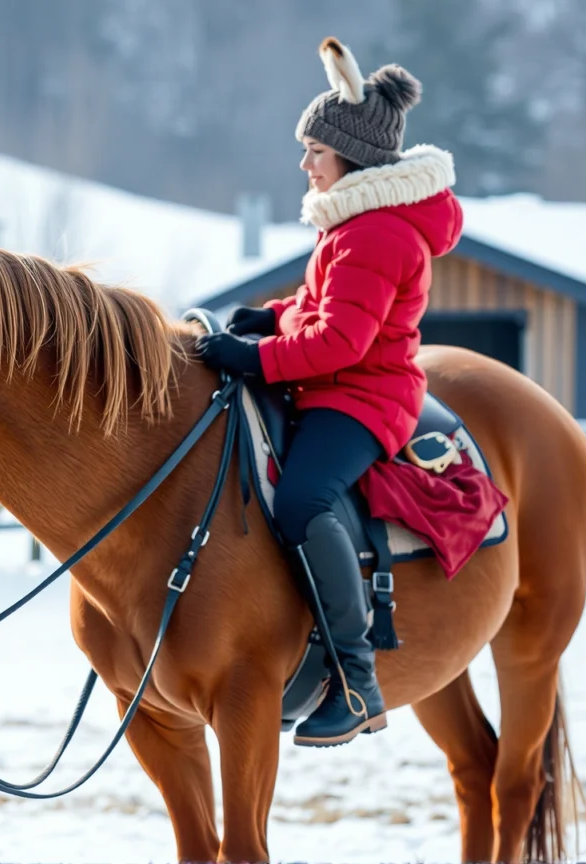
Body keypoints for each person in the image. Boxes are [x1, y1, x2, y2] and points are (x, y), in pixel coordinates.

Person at [195, 36, 462, 747]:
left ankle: (355, 679)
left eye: (314, 150)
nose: (305, 164)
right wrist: (270, 318)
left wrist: (253, 357)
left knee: (303, 500)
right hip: (332, 383)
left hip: (364, 399)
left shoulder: (375, 234)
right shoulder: (353, 224)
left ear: (350, 156)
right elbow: (323, 312)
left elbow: (341, 343)